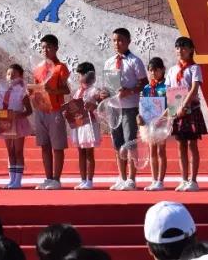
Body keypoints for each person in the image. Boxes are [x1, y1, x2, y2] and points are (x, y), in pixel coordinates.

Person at [104, 28, 147, 191]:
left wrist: (129, 91)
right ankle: (121, 177)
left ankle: (131, 179)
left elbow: (144, 83)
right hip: (114, 107)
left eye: (121, 40)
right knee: (117, 143)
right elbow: (109, 85)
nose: (117, 43)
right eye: (114, 40)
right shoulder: (109, 62)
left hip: (130, 107)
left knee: (130, 142)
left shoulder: (135, 61)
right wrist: (104, 93)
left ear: (128, 41)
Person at [31, 34, 70, 190]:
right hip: (41, 110)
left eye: (48, 47)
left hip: (55, 110)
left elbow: (66, 90)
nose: (45, 50)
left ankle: (56, 179)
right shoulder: (38, 68)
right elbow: (35, 87)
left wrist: (52, 91)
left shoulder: (61, 67)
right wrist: (32, 92)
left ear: (56, 48)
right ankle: (48, 178)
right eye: (43, 47)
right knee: (44, 145)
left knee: (57, 146)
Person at [167, 37, 205, 192]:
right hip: (177, 111)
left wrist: (184, 105)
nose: (180, 51)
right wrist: (171, 110)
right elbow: (169, 91)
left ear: (191, 50)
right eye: (177, 48)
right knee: (180, 145)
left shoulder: (194, 68)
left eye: (183, 48)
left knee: (192, 144)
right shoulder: (172, 70)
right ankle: (183, 179)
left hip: (191, 110)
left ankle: (193, 180)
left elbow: (194, 89)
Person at [0, 63, 32, 189]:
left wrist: (18, 115)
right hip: (6, 123)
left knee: (18, 151)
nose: (10, 77)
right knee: (10, 151)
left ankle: (18, 181)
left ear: (20, 76)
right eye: (8, 74)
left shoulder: (23, 91)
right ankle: (11, 180)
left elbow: (29, 111)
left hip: (18, 123)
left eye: (14, 74)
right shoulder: (2, 90)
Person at [69, 62, 101, 190]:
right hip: (79, 124)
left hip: (89, 124)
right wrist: (68, 111)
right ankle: (83, 179)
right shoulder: (78, 91)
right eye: (78, 75)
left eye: (81, 74)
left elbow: (102, 107)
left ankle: (89, 180)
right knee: (80, 152)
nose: (79, 77)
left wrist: (93, 106)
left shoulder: (95, 90)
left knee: (89, 152)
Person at [140, 57, 169, 191]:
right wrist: (140, 117)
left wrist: (162, 118)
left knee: (161, 150)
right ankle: (154, 179)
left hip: (162, 122)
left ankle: (160, 181)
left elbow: (172, 104)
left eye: (156, 70)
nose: (153, 73)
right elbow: (143, 105)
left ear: (162, 69)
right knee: (152, 150)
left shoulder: (167, 86)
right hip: (149, 123)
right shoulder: (147, 88)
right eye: (151, 70)